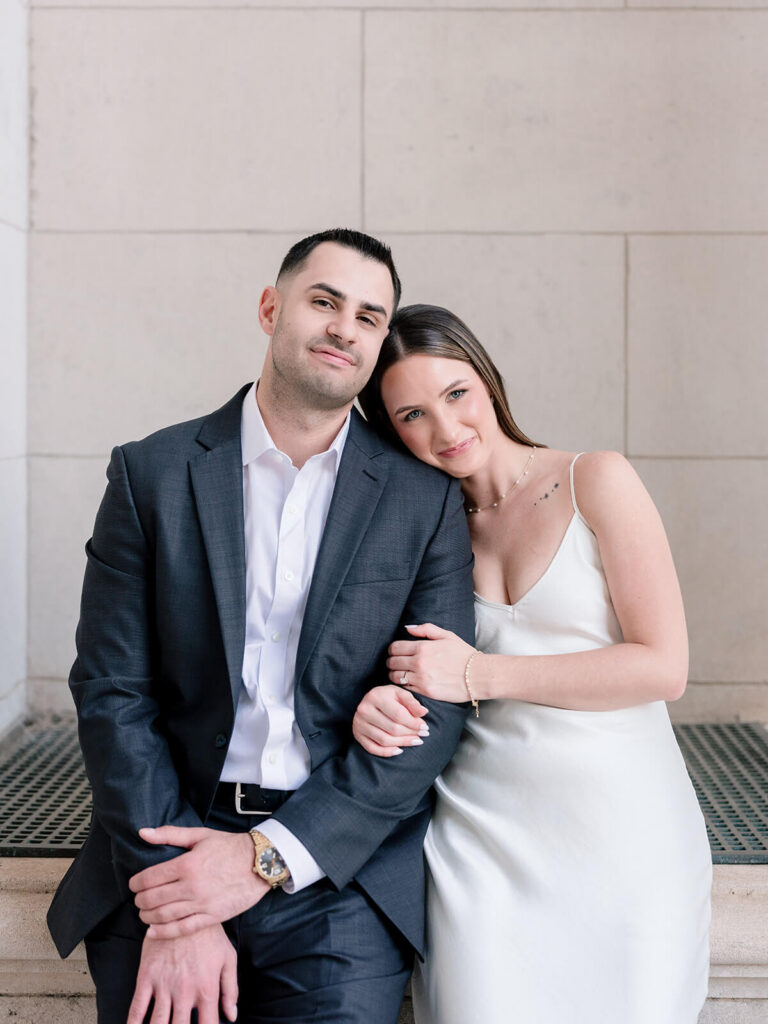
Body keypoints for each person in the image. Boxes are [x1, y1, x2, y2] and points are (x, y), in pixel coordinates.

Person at [47, 233, 476, 1024]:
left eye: (369, 316)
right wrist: (184, 904)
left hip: (334, 871)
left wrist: (265, 859)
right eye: (324, 301)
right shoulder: (152, 474)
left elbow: (436, 713)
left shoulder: (424, 501)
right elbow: (112, 692)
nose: (345, 328)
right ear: (271, 308)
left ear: (380, 343)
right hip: (167, 839)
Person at [354, 303, 712, 1024]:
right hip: (479, 845)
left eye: (456, 395)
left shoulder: (597, 481)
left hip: (626, 837)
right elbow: (391, 666)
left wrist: (482, 675)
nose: (448, 430)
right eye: (413, 415)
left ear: (487, 382)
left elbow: (662, 666)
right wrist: (373, 704)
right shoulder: (418, 530)